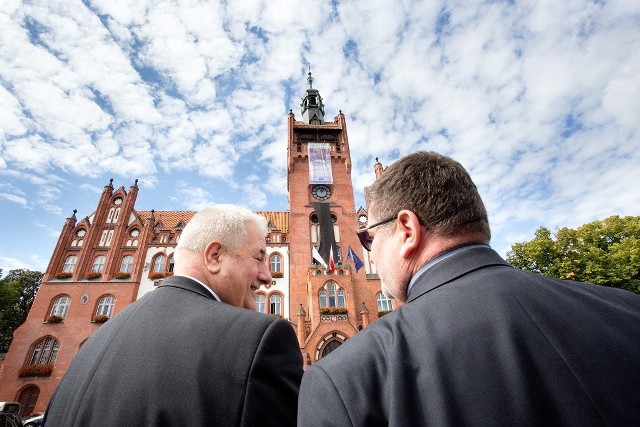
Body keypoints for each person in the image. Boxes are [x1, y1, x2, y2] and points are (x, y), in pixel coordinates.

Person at [298, 151, 640, 426]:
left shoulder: (345, 380)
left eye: (368, 237)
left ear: (407, 230)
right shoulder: (627, 310)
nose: (368, 250)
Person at [45, 205, 303, 426]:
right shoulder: (258, 339)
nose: (267, 276)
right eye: (259, 259)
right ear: (214, 257)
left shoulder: (94, 343)